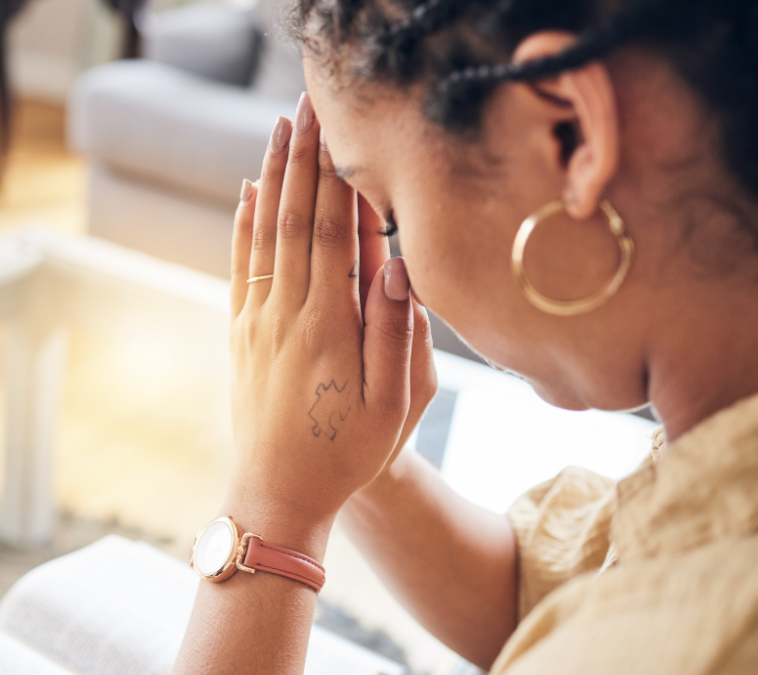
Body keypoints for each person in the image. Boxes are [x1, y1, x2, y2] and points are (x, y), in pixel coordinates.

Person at [172, 0, 758, 673]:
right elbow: (543, 597)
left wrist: (270, 508)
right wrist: (344, 456)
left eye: (389, 214)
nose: (407, 278)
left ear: (567, 135)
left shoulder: (700, 637)